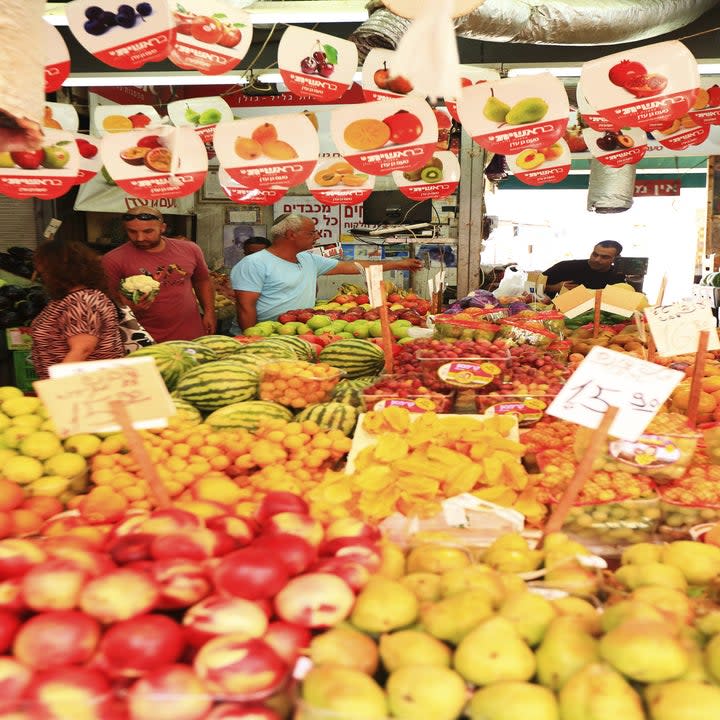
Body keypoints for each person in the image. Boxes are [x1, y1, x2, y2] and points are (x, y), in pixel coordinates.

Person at [231, 213, 424, 331]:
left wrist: (399, 264)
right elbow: (244, 307)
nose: (318, 236)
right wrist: (253, 338)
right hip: (266, 334)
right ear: (291, 235)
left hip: (295, 331)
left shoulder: (309, 259)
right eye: (311, 232)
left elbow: (353, 266)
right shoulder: (254, 263)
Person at [102, 206, 215, 343]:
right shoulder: (113, 259)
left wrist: (209, 312)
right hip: (144, 340)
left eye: (148, 231)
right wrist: (129, 307)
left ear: (163, 228)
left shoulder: (190, 249)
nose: (140, 238)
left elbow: (202, 281)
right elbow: (107, 302)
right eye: (132, 232)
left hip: (191, 334)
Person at [31, 239, 124, 379]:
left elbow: (83, 349)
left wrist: (54, 385)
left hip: (86, 387)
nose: (39, 272)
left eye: (42, 267)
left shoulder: (82, 302)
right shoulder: (71, 298)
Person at [542, 240, 625, 298]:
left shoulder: (619, 276)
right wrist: (554, 288)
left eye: (605, 257)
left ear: (616, 259)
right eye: (595, 254)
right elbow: (531, 285)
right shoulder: (566, 267)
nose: (597, 259)